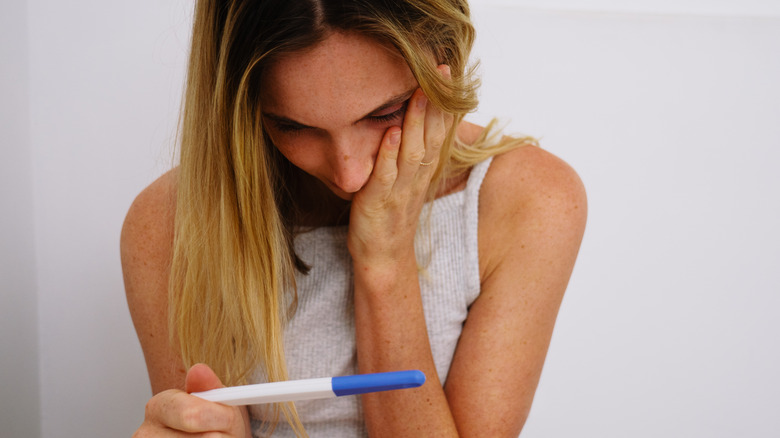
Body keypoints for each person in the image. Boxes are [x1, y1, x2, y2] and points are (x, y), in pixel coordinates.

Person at [121, 0, 587, 436]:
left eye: (385, 113)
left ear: (446, 57)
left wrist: (384, 258)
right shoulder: (169, 223)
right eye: (293, 126)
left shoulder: (528, 200)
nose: (350, 173)